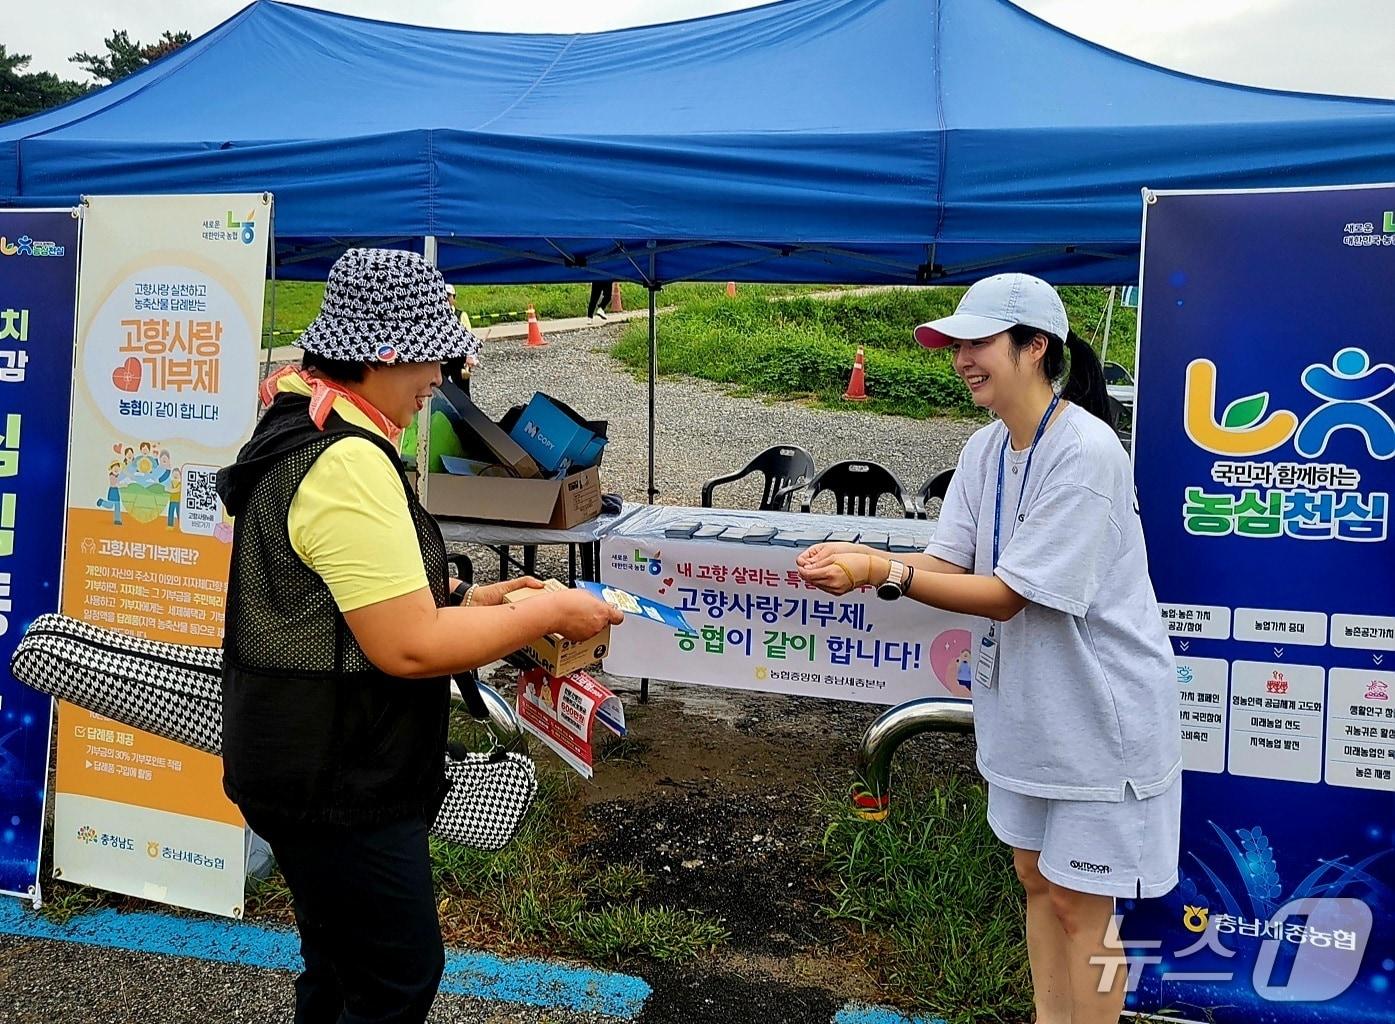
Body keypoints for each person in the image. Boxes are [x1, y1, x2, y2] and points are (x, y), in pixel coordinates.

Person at [216, 248, 622, 1024]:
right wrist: (547, 613)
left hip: (296, 759)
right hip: (338, 776)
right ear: (382, 353)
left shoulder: (300, 423)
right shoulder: (344, 459)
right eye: (431, 357)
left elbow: (342, 588)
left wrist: (471, 597)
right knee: (394, 978)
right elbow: (408, 646)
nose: (440, 377)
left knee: (338, 964)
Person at [796, 273, 1180, 1024]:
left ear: (1035, 347)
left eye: (977, 342)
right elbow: (949, 561)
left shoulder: (1086, 451)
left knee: (1083, 908)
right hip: (1028, 709)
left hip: (1099, 718)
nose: (961, 359)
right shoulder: (984, 448)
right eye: (955, 345)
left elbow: (1008, 595)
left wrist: (883, 572)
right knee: (1036, 879)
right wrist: (863, 559)